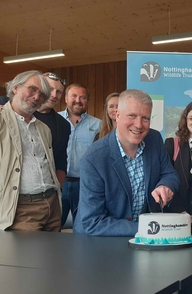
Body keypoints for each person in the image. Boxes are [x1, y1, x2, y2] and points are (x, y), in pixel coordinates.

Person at [73, 89, 179, 236]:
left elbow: (170, 173)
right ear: (117, 115)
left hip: (141, 240)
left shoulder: (154, 139)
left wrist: (166, 185)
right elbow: (93, 222)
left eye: (145, 118)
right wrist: (145, 227)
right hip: (99, 243)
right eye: (132, 116)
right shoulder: (93, 159)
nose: (139, 125)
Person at [0, 70, 62, 231]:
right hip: (20, 210)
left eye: (42, 94)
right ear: (15, 88)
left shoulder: (44, 129)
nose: (37, 97)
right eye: (32, 89)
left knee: (53, 256)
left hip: (52, 206)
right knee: (27, 257)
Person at [0, 72, 71, 187]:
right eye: (50, 89)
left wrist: (57, 189)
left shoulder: (63, 124)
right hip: (7, 191)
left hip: (45, 192)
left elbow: (60, 160)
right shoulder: (6, 106)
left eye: (59, 91)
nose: (54, 95)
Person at [59, 83, 101, 227]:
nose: (78, 100)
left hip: (84, 185)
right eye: (74, 96)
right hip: (58, 184)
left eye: (82, 97)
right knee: (52, 227)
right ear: (65, 98)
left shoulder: (98, 125)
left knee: (84, 228)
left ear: (87, 100)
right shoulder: (55, 121)